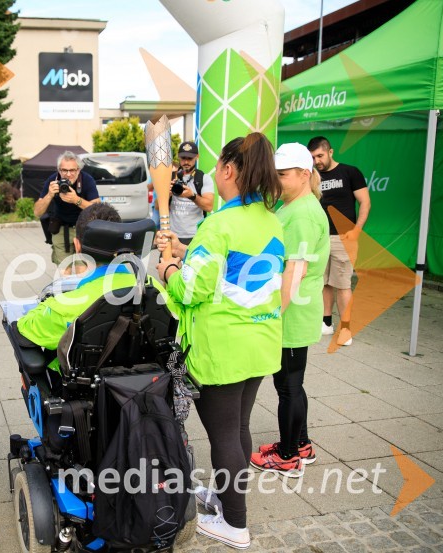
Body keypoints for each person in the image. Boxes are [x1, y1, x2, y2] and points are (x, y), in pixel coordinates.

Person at [156, 132, 284, 550]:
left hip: (223, 348)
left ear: (229, 170)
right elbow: (230, 268)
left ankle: (235, 525)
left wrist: (170, 269)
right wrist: (186, 249)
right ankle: (229, 506)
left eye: (217, 168)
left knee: (225, 435)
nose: (214, 175)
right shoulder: (270, 219)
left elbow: (192, 290)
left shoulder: (219, 224)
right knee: (239, 429)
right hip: (260, 341)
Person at [250, 143, 329, 478]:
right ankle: (301, 445)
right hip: (292, 312)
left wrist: (271, 316)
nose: (276, 181)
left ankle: (287, 455)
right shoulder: (293, 206)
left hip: (292, 313)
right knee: (292, 384)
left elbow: (292, 275)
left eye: (282, 175)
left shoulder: (303, 213)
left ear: (304, 175)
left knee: (288, 387)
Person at [17, 203, 177, 359]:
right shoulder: (155, 289)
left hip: (79, 384)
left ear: (77, 246)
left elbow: (25, 328)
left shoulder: (67, 305)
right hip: (148, 381)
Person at [307, 136, 371, 346]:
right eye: (313, 157)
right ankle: (326, 323)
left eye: (320, 155)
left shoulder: (350, 172)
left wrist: (357, 230)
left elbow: (365, 202)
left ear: (331, 152)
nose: (317, 161)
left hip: (343, 238)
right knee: (324, 282)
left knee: (342, 284)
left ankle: (345, 329)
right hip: (319, 238)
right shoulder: (312, 177)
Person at [33, 151, 101, 271]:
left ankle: (81, 290)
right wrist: (49, 195)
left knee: (82, 271)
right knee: (64, 272)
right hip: (61, 229)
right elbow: (37, 212)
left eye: (72, 170)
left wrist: (77, 200)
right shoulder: (53, 180)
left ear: (78, 169)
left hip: (83, 230)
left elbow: (97, 210)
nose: (68, 175)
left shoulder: (86, 180)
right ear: (59, 170)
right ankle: (66, 290)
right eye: (64, 170)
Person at [170, 141, 215, 244]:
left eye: (190, 158)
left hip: (196, 236)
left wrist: (192, 196)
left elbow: (209, 206)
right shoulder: (170, 177)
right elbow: (158, 206)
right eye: (183, 158)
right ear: (178, 157)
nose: (186, 162)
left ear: (197, 157)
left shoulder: (203, 178)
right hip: (173, 235)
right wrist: (167, 194)